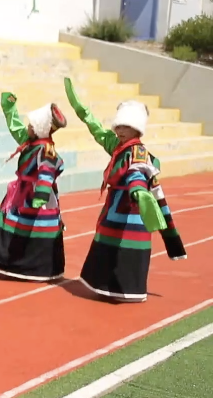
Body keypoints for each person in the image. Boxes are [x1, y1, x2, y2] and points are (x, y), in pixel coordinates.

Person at [64, 78, 186, 301]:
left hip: (131, 208)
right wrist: (82, 111)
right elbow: (98, 131)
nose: (119, 130)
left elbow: (137, 173)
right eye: (118, 126)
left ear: (136, 129)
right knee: (108, 246)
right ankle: (105, 286)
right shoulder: (118, 147)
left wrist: (138, 191)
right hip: (115, 207)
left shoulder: (138, 151)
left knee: (124, 248)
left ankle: (126, 290)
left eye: (125, 127)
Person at [0, 93, 67, 280]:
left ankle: (36, 268)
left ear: (39, 129)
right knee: (3, 224)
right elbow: (16, 128)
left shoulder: (46, 150)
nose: (27, 127)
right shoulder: (30, 142)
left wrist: (41, 195)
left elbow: (46, 172)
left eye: (31, 125)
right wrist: (9, 108)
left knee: (34, 230)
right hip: (20, 193)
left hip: (35, 196)